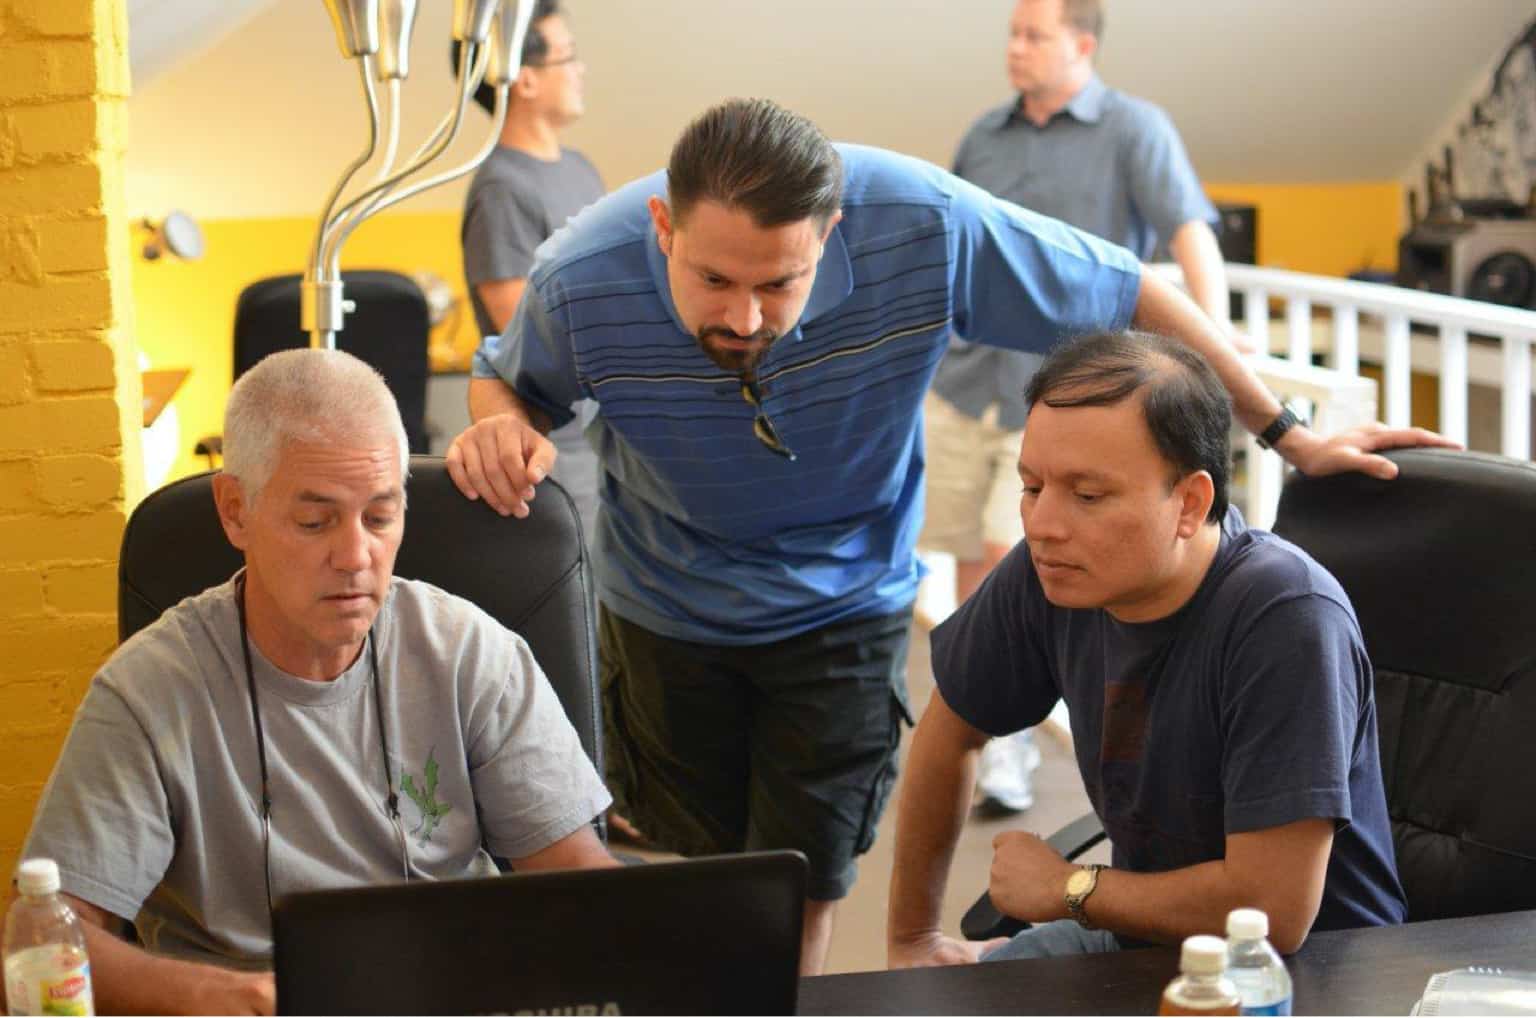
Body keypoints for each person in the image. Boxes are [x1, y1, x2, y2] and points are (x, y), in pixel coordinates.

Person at [446, 96, 1437, 975]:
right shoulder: (581, 275)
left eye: (779, 285)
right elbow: (508, 378)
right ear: (663, 228)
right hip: (663, 597)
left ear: (832, 235)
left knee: (807, 870)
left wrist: (1289, 433)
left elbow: (1128, 291)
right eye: (713, 281)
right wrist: (499, 424)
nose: (745, 317)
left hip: (844, 593)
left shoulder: (922, 223)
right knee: (705, 872)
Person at [7, 349, 617, 1015]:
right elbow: (42, 943)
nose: (356, 557)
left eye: (380, 518)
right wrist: (210, 995)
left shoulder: (472, 654)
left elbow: (579, 887)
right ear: (236, 511)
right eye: (315, 521)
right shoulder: (152, 689)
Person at [888, 332, 1415, 969]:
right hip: (1139, 942)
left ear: (1189, 503)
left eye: (1087, 495)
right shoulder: (1051, 568)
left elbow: (1272, 914)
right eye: (1032, 487)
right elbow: (949, 731)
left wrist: (1071, 888)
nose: (1043, 524)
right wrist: (913, 942)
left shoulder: (1285, 616)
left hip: (1305, 974)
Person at [924, 0, 1239, 815]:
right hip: (967, 384)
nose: (1016, 49)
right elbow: (953, 243)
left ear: (1083, 45)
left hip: (1075, 409)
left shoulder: (1135, 129)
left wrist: (1207, 363)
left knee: (1012, 543)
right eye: (1012, 34)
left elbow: (1189, 237)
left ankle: (1008, 754)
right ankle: (996, 722)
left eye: (1035, 36)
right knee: (974, 566)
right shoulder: (984, 134)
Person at [460, 0, 604, 543]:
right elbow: (527, 333)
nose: (580, 70)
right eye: (567, 57)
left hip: (602, 444)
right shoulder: (503, 190)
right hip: (555, 458)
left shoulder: (579, 170)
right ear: (523, 79)